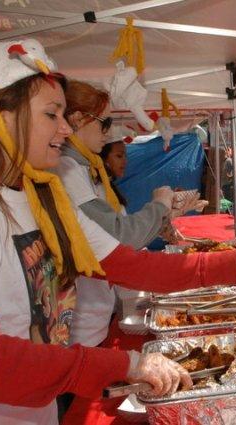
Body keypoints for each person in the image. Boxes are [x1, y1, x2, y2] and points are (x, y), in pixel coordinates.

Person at [0, 39, 236, 424]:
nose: (66, 129)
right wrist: (123, 365)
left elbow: (132, 266)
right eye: (53, 114)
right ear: (2, 116)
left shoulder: (41, 196)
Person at [52, 80, 180, 348]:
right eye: (104, 124)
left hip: (94, 315)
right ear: (76, 120)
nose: (107, 133)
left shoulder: (86, 169)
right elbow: (120, 234)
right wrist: (160, 205)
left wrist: (159, 219)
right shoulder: (68, 168)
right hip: (80, 326)